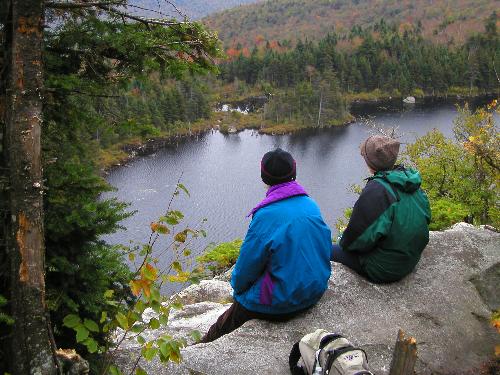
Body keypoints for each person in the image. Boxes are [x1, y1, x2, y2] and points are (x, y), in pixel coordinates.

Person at [200, 148, 332, 343]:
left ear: (264, 177)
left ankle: (199, 349)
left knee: (223, 325)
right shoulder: (310, 204)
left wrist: (238, 290)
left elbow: (247, 267)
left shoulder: (266, 215)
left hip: (279, 303)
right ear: (294, 173)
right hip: (314, 291)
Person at [332, 135, 431, 283]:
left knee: (322, 249)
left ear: (369, 161)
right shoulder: (409, 181)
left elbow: (355, 241)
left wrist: (343, 237)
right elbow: (426, 218)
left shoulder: (377, 191)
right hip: (409, 259)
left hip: (385, 268)